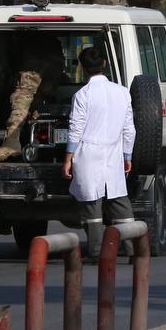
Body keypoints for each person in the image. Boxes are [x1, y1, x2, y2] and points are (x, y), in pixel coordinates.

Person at [63, 46, 137, 262]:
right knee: (118, 200)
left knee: (91, 202)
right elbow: (129, 129)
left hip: (88, 154)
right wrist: (127, 156)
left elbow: (76, 128)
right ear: (104, 63)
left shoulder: (82, 95)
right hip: (113, 153)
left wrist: (68, 158)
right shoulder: (122, 92)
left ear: (83, 69)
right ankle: (133, 250)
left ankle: (96, 252)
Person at [0, 34, 66, 162]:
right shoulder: (53, 42)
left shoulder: (29, 41)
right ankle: (33, 138)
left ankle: (12, 142)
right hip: (55, 55)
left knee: (22, 96)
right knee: (39, 98)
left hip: (37, 54)